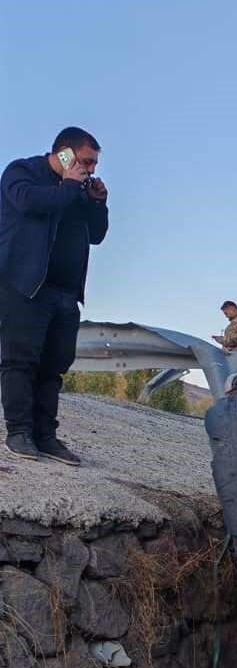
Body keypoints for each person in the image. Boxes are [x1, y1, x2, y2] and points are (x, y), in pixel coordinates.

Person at [0, 127, 109, 466]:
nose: (91, 170)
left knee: (54, 367)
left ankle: (46, 437)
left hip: (65, 294)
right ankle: (19, 432)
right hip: (26, 286)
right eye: (87, 162)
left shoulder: (77, 188)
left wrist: (98, 204)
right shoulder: (24, 172)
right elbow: (30, 203)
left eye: (94, 165)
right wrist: (70, 186)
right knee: (21, 360)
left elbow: (97, 236)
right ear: (65, 153)